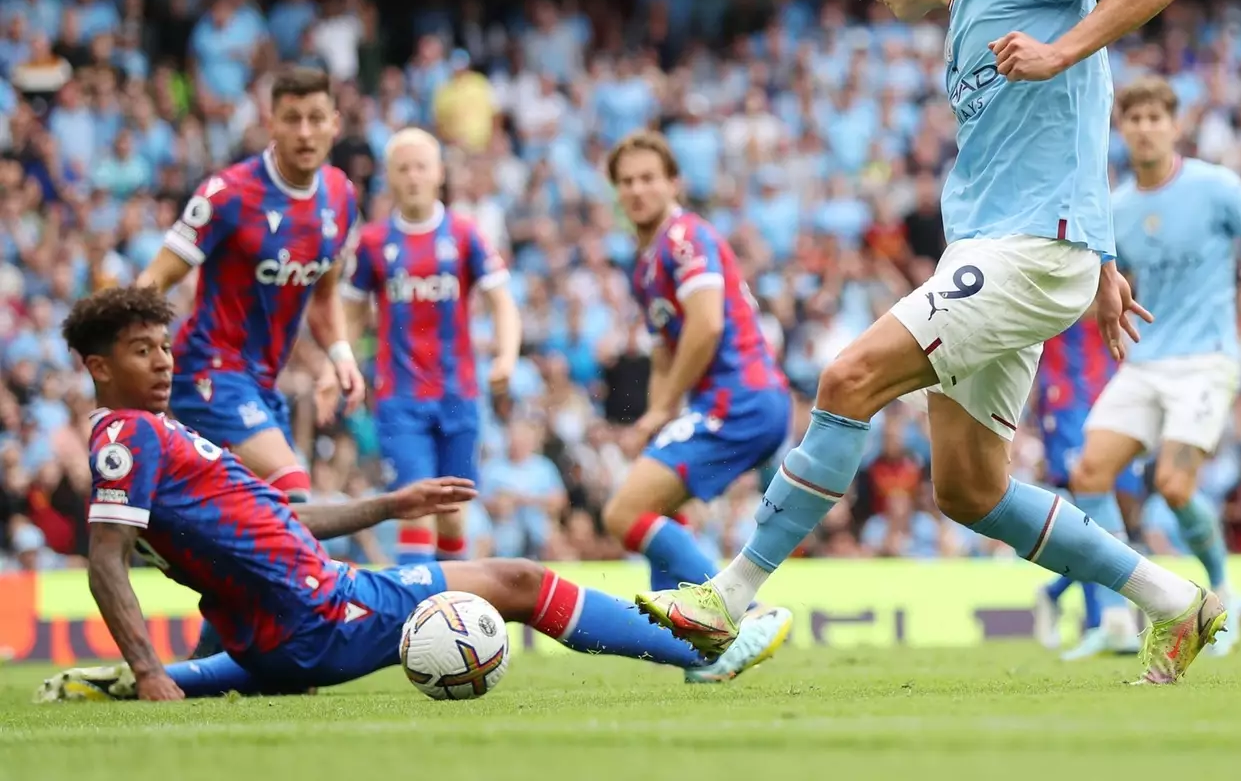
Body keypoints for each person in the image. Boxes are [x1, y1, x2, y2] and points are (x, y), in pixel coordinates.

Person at [638, 0, 1221, 685]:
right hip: (1017, 247)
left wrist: (1058, 54)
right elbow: (1070, 128)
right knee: (970, 487)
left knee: (848, 376)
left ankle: (728, 595)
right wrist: (1105, 254)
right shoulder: (963, 26)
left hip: (1026, 251)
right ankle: (1173, 599)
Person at [36, 287, 793, 702]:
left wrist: (392, 504)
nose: (165, 363)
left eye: (166, 346)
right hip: (316, 612)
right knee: (517, 581)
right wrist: (147, 665)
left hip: (292, 615)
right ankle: (705, 648)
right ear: (98, 367)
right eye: (142, 351)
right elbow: (105, 559)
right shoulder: (125, 438)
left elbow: (283, 518)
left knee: (274, 662)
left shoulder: (156, 436)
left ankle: (158, 682)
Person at [137, 65, 364, 661]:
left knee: (258, 516)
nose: (306, 131)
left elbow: (323, 293)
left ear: (335, 123)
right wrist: (136, 356)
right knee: (290, 489)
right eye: (292, 118)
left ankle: (219, 652)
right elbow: (156, 279)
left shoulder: (340, 196)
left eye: (317, 118)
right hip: (205, 371)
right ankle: (300, 637)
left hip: (261, 385)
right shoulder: (228, 194)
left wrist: (340, 353)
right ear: (271, 122)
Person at [1068, 76, 1241, 657]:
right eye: (1134, 119)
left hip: (1205, 361)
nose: (1144, 128)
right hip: (1147, 361)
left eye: (1155, 118)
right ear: (1122, 129)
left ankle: (1221, 592)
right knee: (1090, 474)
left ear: (1175, 125)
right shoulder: (1115, 207)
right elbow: (1102, 283)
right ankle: (1121, 619)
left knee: (1173, 485)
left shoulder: (1215, 187)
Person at [600, 134, 792, 669]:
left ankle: (744, 613)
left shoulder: (683, 236)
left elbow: (705, 326)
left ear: (673, 184)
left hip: (741, 397)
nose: (637, 189)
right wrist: (653, 417)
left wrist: (663, 412)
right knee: (656, 512)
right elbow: (665, 352)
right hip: (732, 401)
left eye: (648, 178)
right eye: (627, 181)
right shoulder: (645, 263)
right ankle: (699, 655)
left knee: (623, 512)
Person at [343, 128, 521, 565]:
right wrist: (343, 361)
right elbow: (347, 310)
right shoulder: (373, 242)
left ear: (439, 173)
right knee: (416, 506)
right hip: (399, 399)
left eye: (422, 166)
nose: (413, 176)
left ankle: (450, 616)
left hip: (458, 394)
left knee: (453, 516)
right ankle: (417, 621)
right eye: (403, 168)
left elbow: (502, 301)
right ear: (390, 177)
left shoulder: (465, 234)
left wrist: (506, 356)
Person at [1029, 311, 1148, 657]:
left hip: (1111, 397)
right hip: (1066, 401)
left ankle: (1053, 594)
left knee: (1122, 517)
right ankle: (1104, 623)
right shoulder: (1060, 273)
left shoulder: (1113, 274)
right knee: (1089, 517)